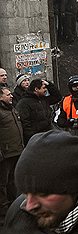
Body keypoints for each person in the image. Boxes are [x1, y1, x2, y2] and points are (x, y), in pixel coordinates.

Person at [0, 86, 24, 217]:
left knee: (13, 181)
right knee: (2, 183)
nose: (11, 96)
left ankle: (13, 206)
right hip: (5, 154)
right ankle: (3, 210)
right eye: (8, 94)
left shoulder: (12, 109)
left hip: (17, 151)